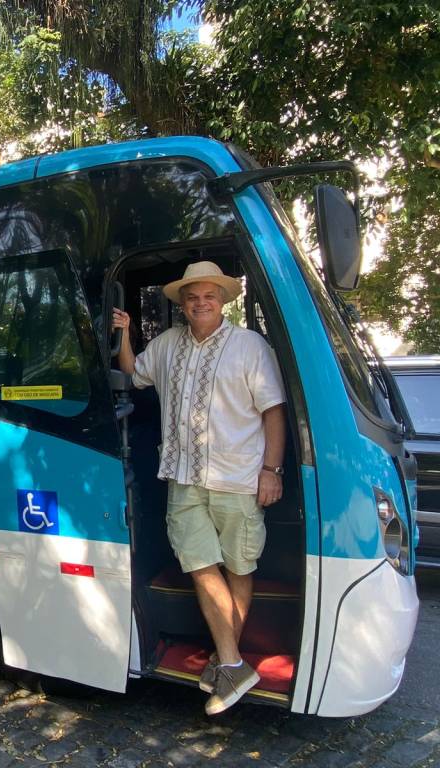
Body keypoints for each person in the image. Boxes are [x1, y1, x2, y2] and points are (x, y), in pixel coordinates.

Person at [111, 261, 286, 715]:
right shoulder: (168, 344)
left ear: (222, 300)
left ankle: (226, 661)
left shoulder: (250, 346)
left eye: (209, 295)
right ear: (183, 304)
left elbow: (273, 412)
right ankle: (231, 662)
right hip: (183, 478)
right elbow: (133, 373)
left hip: (239, 477)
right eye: (192, 297)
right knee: (199, 564)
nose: (200, 302)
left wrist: (272, 470)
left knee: (239, 567)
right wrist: (126, 332)